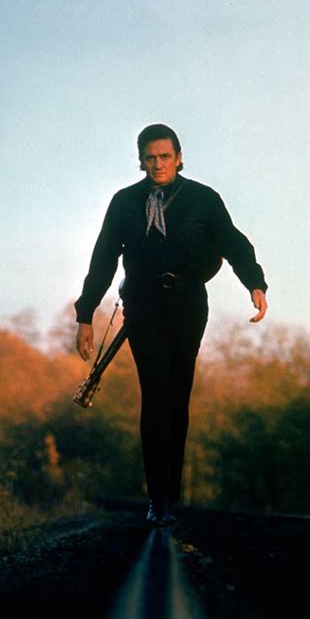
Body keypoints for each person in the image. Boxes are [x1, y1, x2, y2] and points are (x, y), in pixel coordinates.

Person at [75, 124, 268, 526]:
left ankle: (170, 497)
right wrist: (85, 313)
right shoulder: (125, 203)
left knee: (177, 399)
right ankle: (157, 500)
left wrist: (255, 284)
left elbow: (234, 244)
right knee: (156, 391)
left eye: (165, 156)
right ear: (141, 160)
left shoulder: (203, 199)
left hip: (187, 304)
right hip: (143, 306)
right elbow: (104, 258)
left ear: (179, 157)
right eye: (150, 157)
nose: (158, 164)